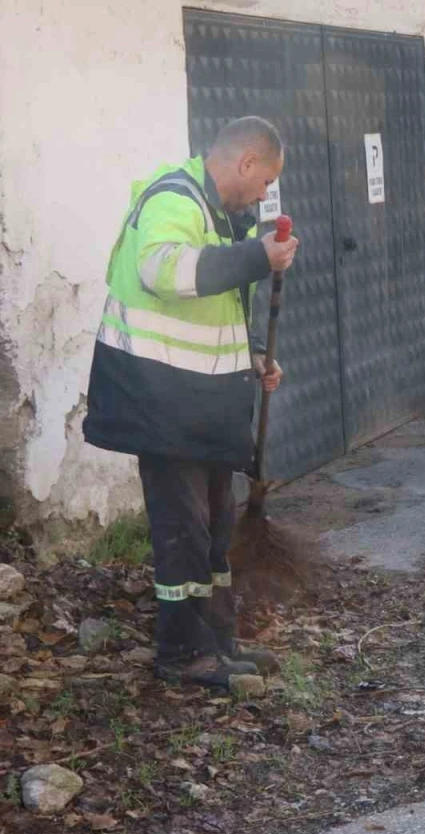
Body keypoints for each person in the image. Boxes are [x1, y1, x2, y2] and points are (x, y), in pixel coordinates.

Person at [83, 116, 300, 688]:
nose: (262, 195)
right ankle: (181, 655)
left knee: (214, 525)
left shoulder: (220, 213)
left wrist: (252, 354)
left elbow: (213, 305)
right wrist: (257, 257)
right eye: (263, 182)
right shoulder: (173, 199)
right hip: (159, 402)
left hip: (195, 405)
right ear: (246, 162)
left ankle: (218, 644)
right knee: (182, 530)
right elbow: (162, 270)